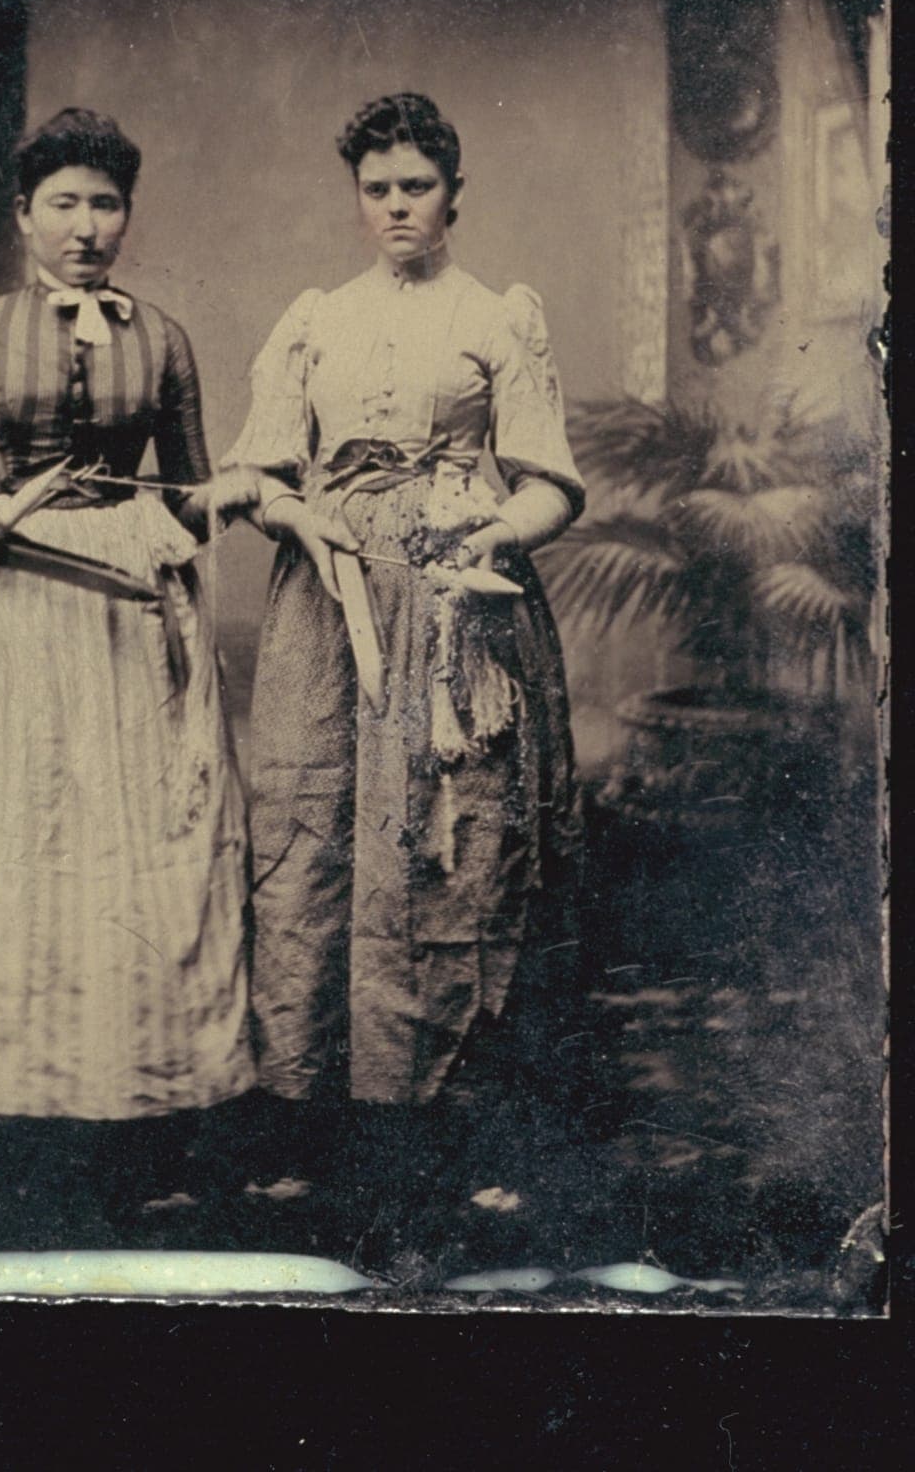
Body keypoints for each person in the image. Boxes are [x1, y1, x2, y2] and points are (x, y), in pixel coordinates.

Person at [0, 108, 254, 1223]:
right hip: (11, 604)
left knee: (131, 846)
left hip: (128, 605)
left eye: (107, 204)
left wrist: (227, 505)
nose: (89, 227)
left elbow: (185, 491)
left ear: (126, 214)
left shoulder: (165, 338)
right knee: (16, 837)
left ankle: (134, 1117)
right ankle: (1, 1117)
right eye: (66, 204)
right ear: (25, 216)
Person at [221, 93, 586, 1196]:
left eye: (415, 186)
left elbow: (553, 483)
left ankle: (445, 1125)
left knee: (451, 845)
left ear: (454, 195)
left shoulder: (497, 315)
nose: (395, 206)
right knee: (316, 835)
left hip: (457, 608)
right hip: (329, 609)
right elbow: (258, 475)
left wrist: (491, 528)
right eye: (376, 189)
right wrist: (298, 516)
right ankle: (314, 1127)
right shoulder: (317, 318)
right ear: (357, 199)